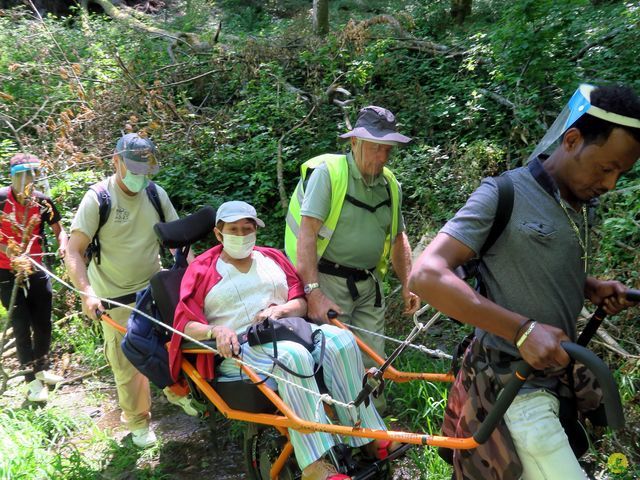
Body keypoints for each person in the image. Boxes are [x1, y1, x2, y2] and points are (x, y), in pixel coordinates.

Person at [408, 84, 640, 480]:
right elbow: (426, 275)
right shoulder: (504, 193)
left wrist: (589, 285)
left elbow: (531, 259)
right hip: (512, 386)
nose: (611, 184)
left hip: (556, 384)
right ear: (571, 140)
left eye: (622, 172)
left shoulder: (580, 206)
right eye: (606, 168)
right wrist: (521, 330)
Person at [169, 201, 399, 480]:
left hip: (287, 329)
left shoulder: (272, 257)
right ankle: (315, 464)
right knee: (293, 357)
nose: (241, 235)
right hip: (239, 349)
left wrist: (280, 310)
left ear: (256, 231)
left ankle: (367, 433)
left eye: (247, 229)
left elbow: (300, 302)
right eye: (233, 230)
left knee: (341, 340)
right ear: (219, 234)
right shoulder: (202, 269)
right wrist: (216, 331)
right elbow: (183, 325)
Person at [285, 106, 421, 411]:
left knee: (375, 361)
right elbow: (307, 235)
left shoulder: (391, 186)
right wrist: (313, 292)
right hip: (328, 283)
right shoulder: (329, 176)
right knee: (336, 361)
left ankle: (374, 431)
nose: (382, 157)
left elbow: (398, 239)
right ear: (355, 143)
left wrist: (409, 284)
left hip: (369, 286)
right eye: (375, 147)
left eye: (387, 149)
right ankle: (340, 434)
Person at [66, 133, 181, 448]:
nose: (139, 174)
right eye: (132, 166)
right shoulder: (98, 198)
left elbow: (177, 242)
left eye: (145, 168)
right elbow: (74, 250)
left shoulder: (156, 194)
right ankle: (139, 424)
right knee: (127, 364)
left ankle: (179, 395)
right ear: (116, 161)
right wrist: (87, 293)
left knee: (174, 346)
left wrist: (190, 276)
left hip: (154, 288)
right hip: (113, 295)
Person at [0, 153, 67, 402]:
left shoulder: (42, 202)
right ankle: (30, 381)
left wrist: (63, 245)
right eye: (21, 175)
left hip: (37, 268)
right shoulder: (1, 199)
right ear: (13, 176)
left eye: (31, 174)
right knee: (21, 323)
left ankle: (42, 369)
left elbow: (60, 231)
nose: (27, 180)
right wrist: (10, 251)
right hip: (6, 271)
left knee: (43, 322)